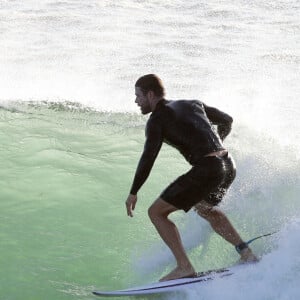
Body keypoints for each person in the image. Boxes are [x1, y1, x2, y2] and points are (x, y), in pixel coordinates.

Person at [125, 74, 257, 282]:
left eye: (138, 96)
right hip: (228, 164)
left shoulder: (157, 120)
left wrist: (133, 192)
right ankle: (246, 252)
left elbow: (148, 157)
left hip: (209, 169)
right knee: (205, 209)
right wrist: (216, 145)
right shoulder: (192, 104)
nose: (136, 101)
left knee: (156, 212)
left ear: (150, 94)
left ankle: (184, 267)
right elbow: (227, 120)